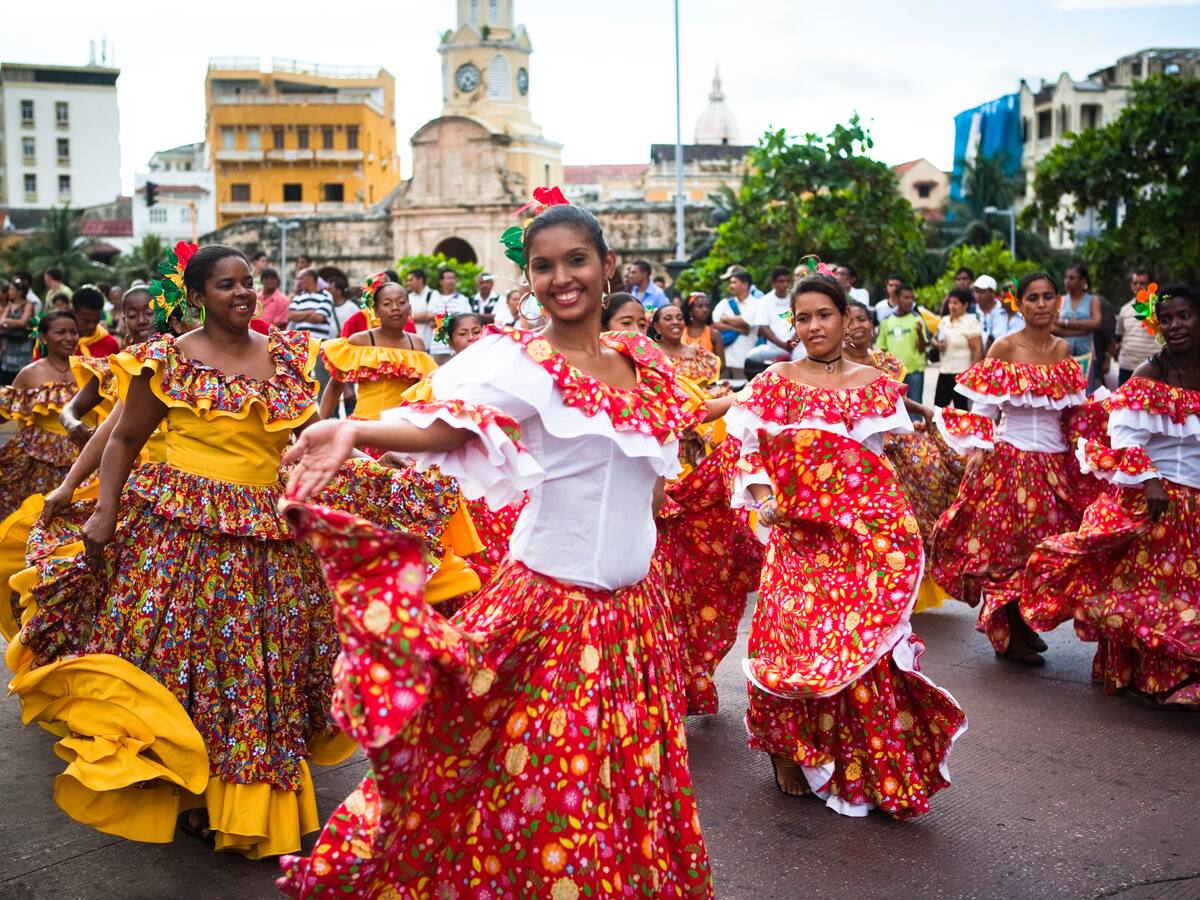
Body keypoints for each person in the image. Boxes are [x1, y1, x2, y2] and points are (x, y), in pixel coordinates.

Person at [277, 201, 714, 897]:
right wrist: (359, 433)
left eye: (576, 260)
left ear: (606, 267)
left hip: (638, 623)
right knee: (552, 797)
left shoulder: (643, 363)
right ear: (528, 277)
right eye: (543, 266)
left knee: (625, 790)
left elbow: (684, 428)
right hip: (554, 618)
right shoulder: (519, 363)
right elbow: (449, 428)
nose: (561, 277)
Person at [9, 244, 459, 859]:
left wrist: (366, 471)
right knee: (193, 666)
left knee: (260, 669)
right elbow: (125, 438)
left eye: (248, 282)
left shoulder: (289, 355)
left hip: (269, 538)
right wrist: (102, 508)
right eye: (227, 285)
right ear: (197, 295)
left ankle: (247, 801)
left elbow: (303, 439)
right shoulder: (166, 360)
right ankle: (198, 793)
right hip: (181, 537)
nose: (243, 293)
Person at [725, 272, 966, 815]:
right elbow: (751, 456)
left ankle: (864, 756)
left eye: (824, 315)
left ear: (845, 317)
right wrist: (767, 504)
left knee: (865, 646)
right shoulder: (776, 381)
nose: (814, 327)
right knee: (792, 643)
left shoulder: (875, 385)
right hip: (796, 539)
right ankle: (787, 748)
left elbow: (878, 465)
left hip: (859, 543)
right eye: (803, 317)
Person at [1023, 285, 1200, 707]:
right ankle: (1159, 680)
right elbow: (1122, 436)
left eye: (1185, 316)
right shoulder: (1149, 375)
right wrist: (1151, 480)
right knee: (1158, 596)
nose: (1176, 326)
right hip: (1160, 502)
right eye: (1168, 319)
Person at [930, 272, 1100, 665]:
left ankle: (1022, 622)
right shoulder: (1004, 347)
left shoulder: (1063, 351)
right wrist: (977, 451)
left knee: (1044, 552)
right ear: (1018, 304)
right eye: (1032, 298)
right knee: (1008, 552)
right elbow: (985, 409)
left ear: (1058, 301)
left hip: (1055, 467)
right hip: (1011, 462)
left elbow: (1073, 414)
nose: (1041, 304)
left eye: (1047, 297)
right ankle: (1008, 627)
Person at [842, 300, 962, 613]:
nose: (858, 326)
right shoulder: (835, 366)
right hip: (858, 455)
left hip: (895, 446)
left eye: (863, 320)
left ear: (872, 325)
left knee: (933, 492)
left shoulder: (886, 362)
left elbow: (898, 400)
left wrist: (921, 413)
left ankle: (907, 587)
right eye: (851, 321)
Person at [0, 311, 82, 523]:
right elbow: (5, 410)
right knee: (36, 517)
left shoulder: (88, 369)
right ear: (44, 337)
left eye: (73, 332)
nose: (69, 337)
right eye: (61, 332)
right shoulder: (30, 373)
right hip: (37, 459)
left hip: (81, 457)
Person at [318, 278, 434, 422]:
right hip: (367, 429)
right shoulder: (360, 341)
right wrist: (317, 425)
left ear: (409, 309)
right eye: (387, 304)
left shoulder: (417, 344)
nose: (395, 307)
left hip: (405, 431)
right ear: (376, 311)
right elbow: (335, 387)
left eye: (401, 302)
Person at [876, 283, 927, 404]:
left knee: (916, 407)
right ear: (897, 299)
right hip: (893, 374)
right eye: (906, 297)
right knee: (895, 407)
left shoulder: (917, 319)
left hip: (914, 371)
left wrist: (920, 333)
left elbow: (922, 349)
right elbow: (881, 349)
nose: (910, 301)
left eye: (912, 298)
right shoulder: (886, 321)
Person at [934, 287, 985, 409]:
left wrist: (972, 376)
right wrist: (937, 344)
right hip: (944, 372)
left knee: (962, 412)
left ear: (965, 305)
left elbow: (978, 350)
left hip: (962, 375)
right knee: (939, 410)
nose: (952, 306)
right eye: (951, 302)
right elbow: (937, 339)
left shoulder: (971, 322)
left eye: (956, 303)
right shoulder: (944, 321)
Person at [652, 304, 723, 387]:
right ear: (657, 327)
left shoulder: (698, 352)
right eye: (668, 319)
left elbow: (709, 386)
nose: (675, 322)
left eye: (680, 318)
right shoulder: (652, 353)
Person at [1053, 262, 1102, 380]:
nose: (1067, 281)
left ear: (1083, 281)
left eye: (1072, 278)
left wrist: (1065, 323)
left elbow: (1096, 323)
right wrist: (1083, 330)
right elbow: (1052, 328)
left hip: (1086, 356)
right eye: (1065, 278)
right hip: (1063, 355)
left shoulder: (1093, 300)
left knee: (1086, 392)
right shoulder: (1060, 300)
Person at [1114, 267, 1162, 384]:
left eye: (1143, 283)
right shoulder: (1124, 309)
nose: (1139, 286)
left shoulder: (1160, 308)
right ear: (1131, 285)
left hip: (1154, 367)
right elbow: (1118, 336)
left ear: (1151, 285)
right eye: (1135, 283)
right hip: (1127, 368)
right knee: (1124, 401)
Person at [712, 267, 760, 374]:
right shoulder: (725, 302)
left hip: (744, 360)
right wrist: (737, 328)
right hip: (724, 360)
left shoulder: (757, 304)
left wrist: (725, 319)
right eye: (730, 283)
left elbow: (746, 322)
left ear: (745, 284)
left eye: (734, 282)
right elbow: (714, 323)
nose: (731, 286)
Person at [427, 268, 472, 361]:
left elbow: (466, 321)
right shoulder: (435, 297)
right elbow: (429, 318)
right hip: (437, 347)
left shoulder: (462, 299)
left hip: (456, 347)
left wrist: (439, 320)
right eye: (448, 278)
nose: (451, 281)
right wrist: (452, 318)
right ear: (441, 281)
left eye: (453, 278)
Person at [1, 275, 37, 384]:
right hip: (10, 346)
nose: (9, 292)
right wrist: (12, 322)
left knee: (22, 375)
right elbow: (1, 321)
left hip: (23, 346)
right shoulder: (9, 306)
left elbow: (23, 322)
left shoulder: (28, 305)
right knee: (7, 380)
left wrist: (8, 322)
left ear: (20, 292)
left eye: (12, 290)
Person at [287, 267, 337, 340]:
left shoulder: (326, 296)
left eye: (301, 278)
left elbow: (318, 318)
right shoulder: (299, 296)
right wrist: (310, 312)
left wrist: (299, 317)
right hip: (300, 343)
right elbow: (290, 315)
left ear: (311, 278)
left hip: (320, 342)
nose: (298, 281)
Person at [71, 286, 121, 358]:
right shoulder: (61, 343)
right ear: (73, 313)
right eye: (86, 321)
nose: (92, 326)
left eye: (96, 321)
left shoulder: (110, 343)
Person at [682, 291, 725, 369]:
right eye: (700, 306)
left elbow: (722, 363)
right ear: (690, 311)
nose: (705, 310)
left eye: (707, 306)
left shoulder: (714, 334)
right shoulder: (680, 332)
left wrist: (706, 375)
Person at [405, 267, 436, 347]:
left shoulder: (433, 294)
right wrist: (425, 317)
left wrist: (409, 317)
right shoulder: (409, 297)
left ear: (420, 280)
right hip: (411, 344)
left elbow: (430, 315)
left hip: (429, 344)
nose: (408, 283)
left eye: (411, 280)